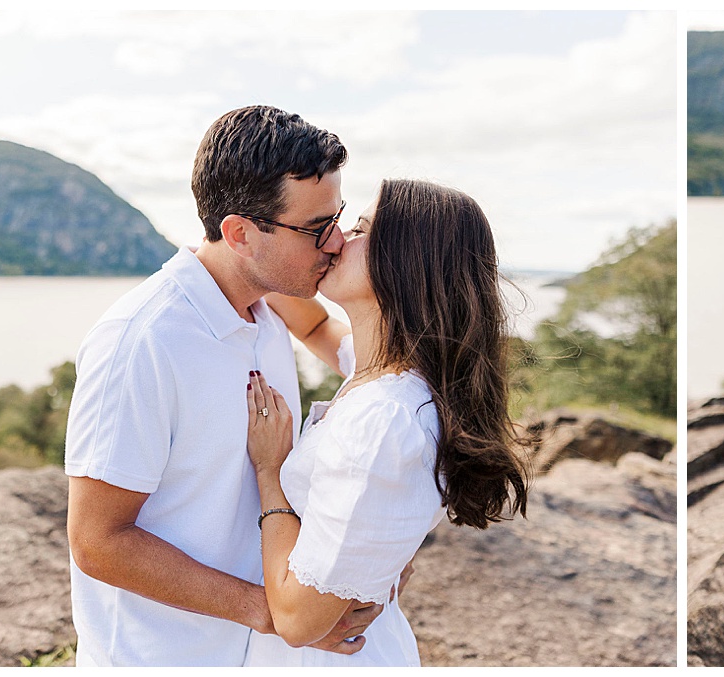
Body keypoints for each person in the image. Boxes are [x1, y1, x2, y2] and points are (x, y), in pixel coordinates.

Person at [63, 105, 379, 665]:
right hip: (166, 655)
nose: (335, 242)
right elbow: (98, 542)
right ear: (240, 234)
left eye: (338, 218)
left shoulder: (271, 292)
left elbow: (324, 331)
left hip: (256, 653)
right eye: (315, 228)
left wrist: (393, 381)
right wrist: (277, 613)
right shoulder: (142, 344)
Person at [240, 178, 530, 666]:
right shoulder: (392, 372)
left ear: (405, 263)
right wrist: (238, 250)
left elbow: (296, 621)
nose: (334, 239)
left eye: (359, 229)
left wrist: (271, 473)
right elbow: (313, 326)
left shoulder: (384, 420)